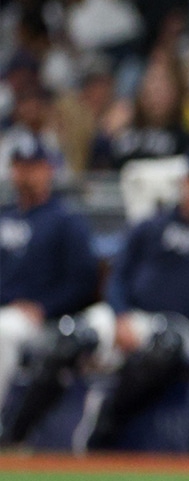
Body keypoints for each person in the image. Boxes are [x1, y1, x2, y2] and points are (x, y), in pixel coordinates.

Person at [0, 146, 189, 451]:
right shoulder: (153, 225)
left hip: (178, 325)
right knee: (67, 339)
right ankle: (15, 437)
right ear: (184, 182)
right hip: (128, 316)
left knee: (160, 352)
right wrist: (121, 315)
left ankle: (101, 431)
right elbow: (119, 276)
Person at [0, 134, 99, 434]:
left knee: (3, 330)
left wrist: (45, 307)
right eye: (20, 166)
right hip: (7, 311)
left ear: (48, 170)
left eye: (33, 166)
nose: (26, 174)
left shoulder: (65, 220)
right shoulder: (4, 215)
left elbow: (84, 281)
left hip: (41, 321)